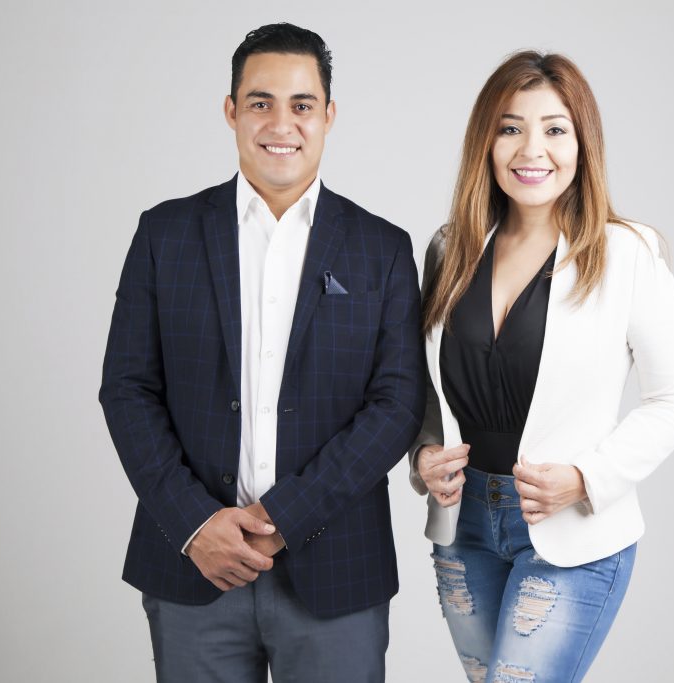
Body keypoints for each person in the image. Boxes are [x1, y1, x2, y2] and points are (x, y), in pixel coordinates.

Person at [99, 23, 424, 683]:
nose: (281, 124)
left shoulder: (383, 248)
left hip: (337, 570)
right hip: (192, 566)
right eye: (260, 102)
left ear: (328, 115)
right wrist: (195, 524)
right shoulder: (164, 234)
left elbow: (397, 404)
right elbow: (127, 388)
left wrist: (285, 515)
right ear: (231, 110)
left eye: (302, 104)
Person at [409, 51, 674, 682]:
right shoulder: (450, 249)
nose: (531, 150)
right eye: (511, 128)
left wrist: (586, 478)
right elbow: (430, 391)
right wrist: (423, 456)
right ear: (486, 143)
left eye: (554, 129)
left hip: (570, 531)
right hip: (463, 528)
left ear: (582, 144)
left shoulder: (626, 253)